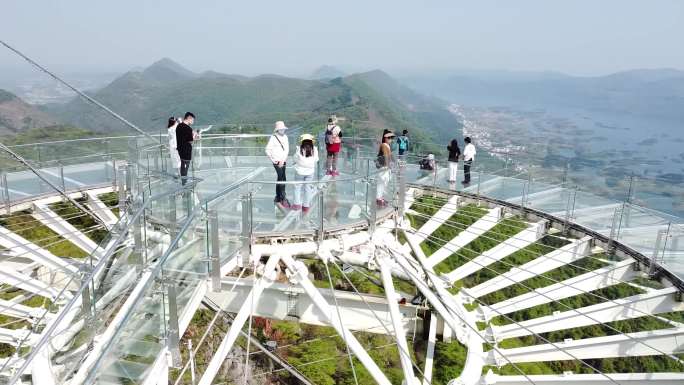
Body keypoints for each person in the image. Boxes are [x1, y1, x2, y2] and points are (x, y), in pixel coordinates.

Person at [265, 121, 290, 208]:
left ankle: (279, 196)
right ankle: (282, 197)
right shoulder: (273, 138)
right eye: (281, 129)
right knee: (281, 177)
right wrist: (274, 160)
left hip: (283, 161)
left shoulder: (285, 137)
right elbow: (267, 150)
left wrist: (283, 160)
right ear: (277, 130)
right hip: (276, 161)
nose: (282, 130)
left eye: (283, 129)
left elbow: (286, 150)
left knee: (283, 178)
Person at [293, 134, 319, 213]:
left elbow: (295, 158)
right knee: (307, 188)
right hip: (310, 171)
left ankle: (297, 205)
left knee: (297, 187)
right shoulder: (314, 149)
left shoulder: (299, 149)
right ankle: (306, 206)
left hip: (300, 171)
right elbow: (316, 160)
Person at [175, 112, 197, 185]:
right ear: (189, 118)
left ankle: (183, 181)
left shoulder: (179, 126)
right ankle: (184, 183)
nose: (193, 121)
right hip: (186, 150)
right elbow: (190, 140)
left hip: (180, 149)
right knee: (185, 166)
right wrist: (194, 135)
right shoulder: (188, 128)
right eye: (192, 120)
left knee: (182, 166)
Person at [376, 131, 394, 207]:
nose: (390, 139)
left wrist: (393, 162)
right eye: (389, 138)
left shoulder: (387, 146)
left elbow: (390, 155)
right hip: (383, 167)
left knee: (384, 183)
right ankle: (378, 199)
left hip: (386, 167)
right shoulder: (384, 145)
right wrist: (388, 165)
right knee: (381, 183)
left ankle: (381, 197)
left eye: (391, 138)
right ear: (385, 138)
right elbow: (386, 156)